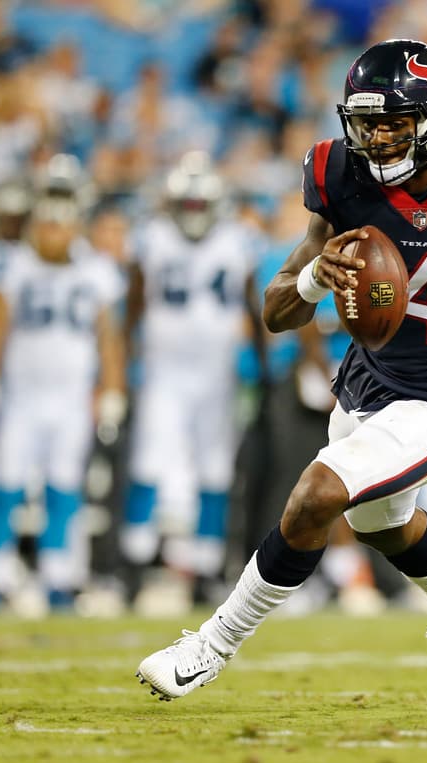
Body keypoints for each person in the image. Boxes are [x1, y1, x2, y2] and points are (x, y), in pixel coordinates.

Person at [137, 39, 427, 703]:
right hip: (369, 383)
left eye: (395, 122)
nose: (378, 138)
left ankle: (211, 645)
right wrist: (312, 277)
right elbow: (277, 311)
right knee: (381, 523)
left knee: (320, 493)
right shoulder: (342, 177)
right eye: (366, 123)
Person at [0, 188, 126, 610]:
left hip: (71, 401)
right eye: (47, 224)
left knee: (64, 488)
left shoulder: (95, 271)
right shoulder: (15, 267)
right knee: (5, 485)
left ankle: (59, 577)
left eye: (60, 225)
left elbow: (108, 340)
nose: (53, 234)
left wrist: (112, 395)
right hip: (21, 398)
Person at [120, 153, 263, 601]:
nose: (195, 214)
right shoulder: (153, 239)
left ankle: (205, 566)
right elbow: (134, 304)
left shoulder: (239, 241)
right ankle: (132, 565)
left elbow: (252, 308)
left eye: (202, 205)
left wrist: (259, 367)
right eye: (189, 205)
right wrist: (126, 360)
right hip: (165, 371)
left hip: (216, 375)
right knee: (149, 461)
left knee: (215, 468)